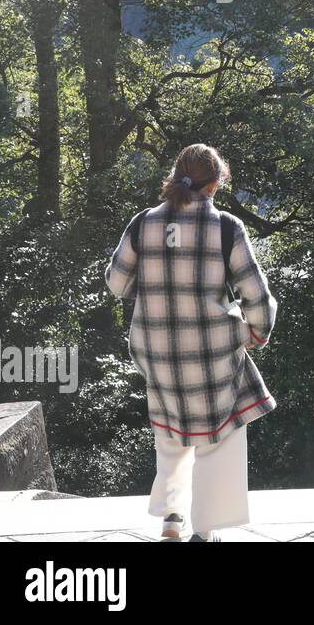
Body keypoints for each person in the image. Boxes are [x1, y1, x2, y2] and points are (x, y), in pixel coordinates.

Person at [106, 144, 277, 542]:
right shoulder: (226, 227)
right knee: (218, 437)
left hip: (157, 352)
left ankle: (171, 520)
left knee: (170, 435)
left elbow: (117, 283)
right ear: (215, 185)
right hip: (213, 352)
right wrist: (256, 332)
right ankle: (205, 529)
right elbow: (257, 296)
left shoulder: (142, 223)